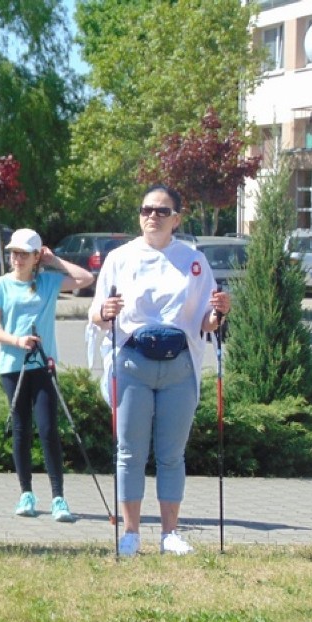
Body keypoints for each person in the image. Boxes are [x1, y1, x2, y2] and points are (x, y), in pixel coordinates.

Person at [89, 184, 230, 556]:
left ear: (177, 218)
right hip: (132, 363)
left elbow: (206, 321)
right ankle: (131, 533)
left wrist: (218, 312)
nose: (152, 216)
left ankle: (170, 534)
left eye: (162, 211)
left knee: (171, 453)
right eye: (146, 209)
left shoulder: (193, 260)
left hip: (179, 367)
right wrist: (104, 313)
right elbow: (96, 311)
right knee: (129, 452)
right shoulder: (119, 258)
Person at [0, 228, 94, 522]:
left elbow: (86, 279)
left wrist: (54, 259)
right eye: (13, 253)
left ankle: (59, 497)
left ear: (36, 256)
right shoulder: (0, 285)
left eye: (23, 253)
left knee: (48, 430)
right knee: (20, 430)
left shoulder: (48, 281)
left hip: (43, 366)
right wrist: (18, 340)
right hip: (12, 366)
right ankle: (26, 494)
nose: (16, 258)